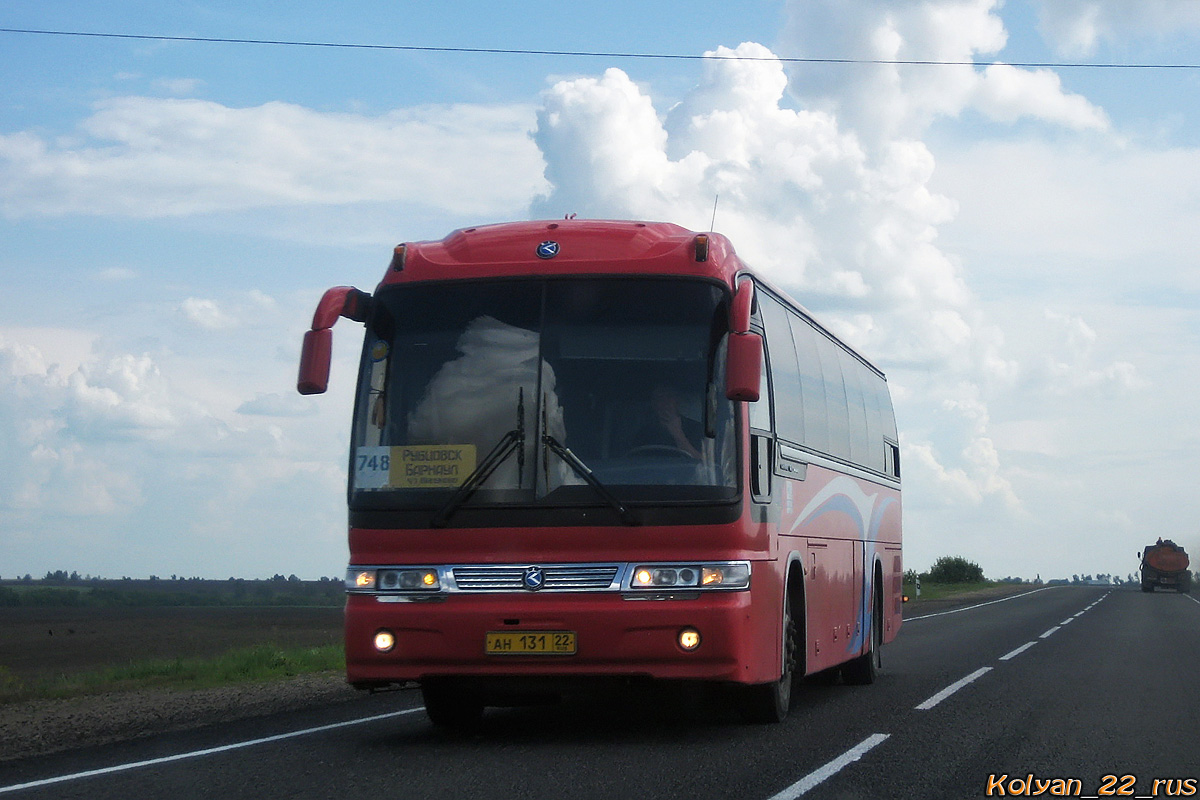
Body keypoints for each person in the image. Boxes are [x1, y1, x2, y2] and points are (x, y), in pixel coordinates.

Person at [632, 385, 703, 459]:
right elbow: (633, 461)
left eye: (669, 396)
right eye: (660, 397)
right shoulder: (644, 433)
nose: (665, 402)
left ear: (677, 400)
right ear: (653, 404)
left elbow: (702, 464)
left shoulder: (696, 429)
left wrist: (678, 433)